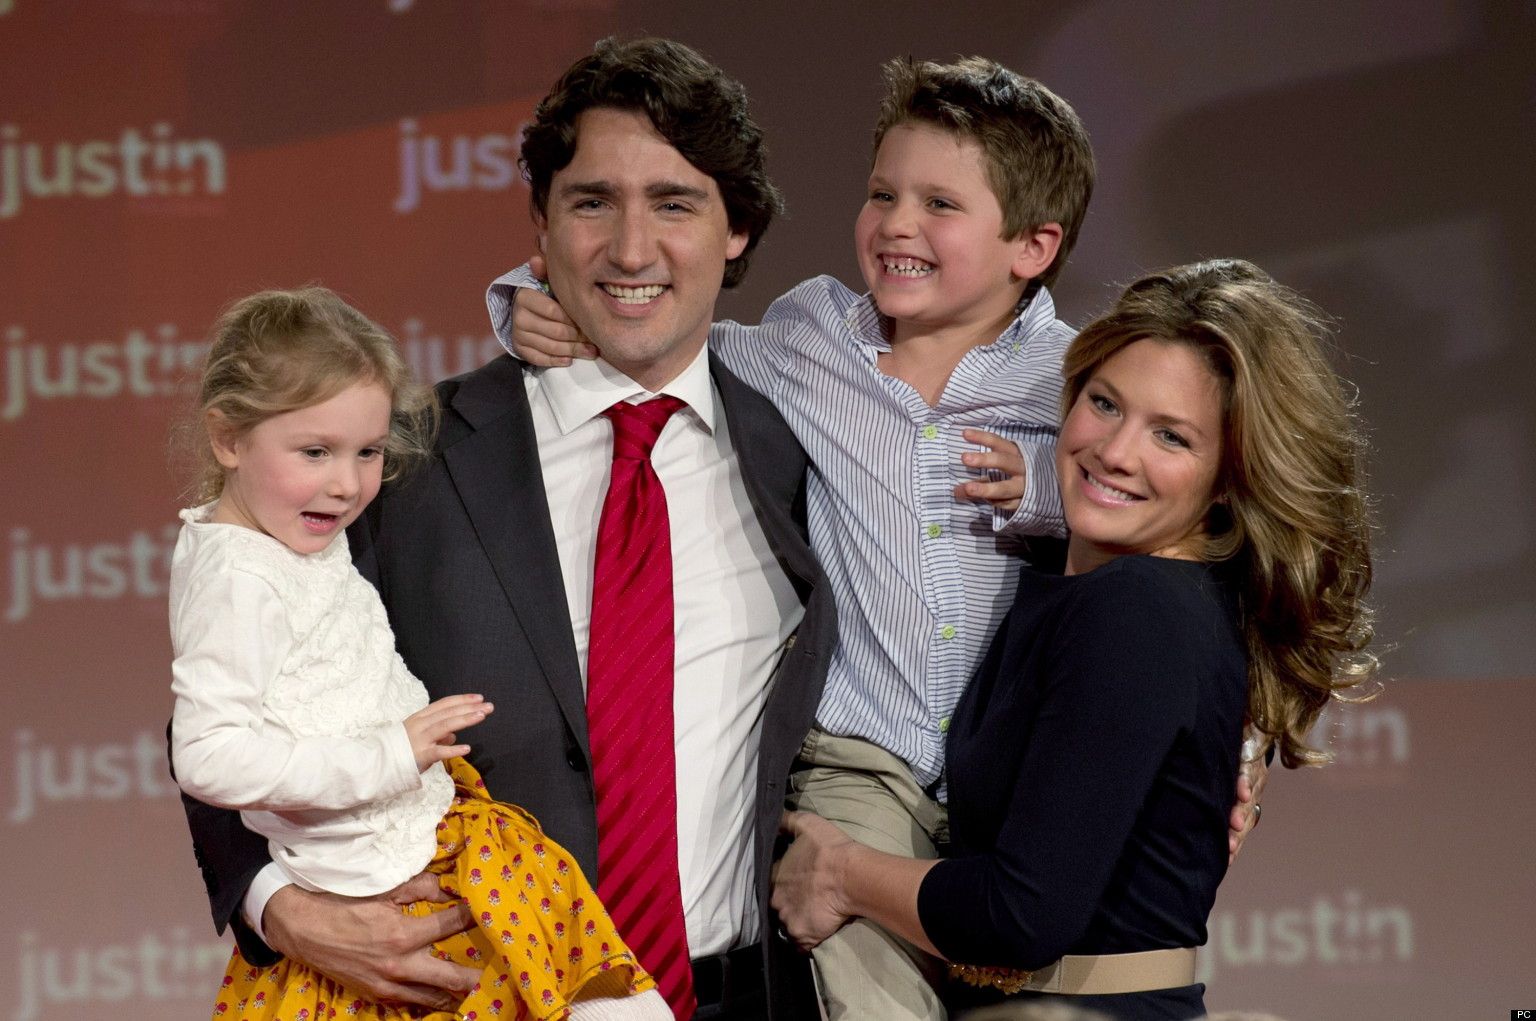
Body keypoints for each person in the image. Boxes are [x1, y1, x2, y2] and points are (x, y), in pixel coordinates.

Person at [508, 57, 1263, 1019]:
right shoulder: (809, 340)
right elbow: (660, 327)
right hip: (867, 757)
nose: (896, 224)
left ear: (1034, 245)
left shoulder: (1073, 379)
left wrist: (1047, 489)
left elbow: (1185, 536)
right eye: (881, 193)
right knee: (876, 998)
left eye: (938, 203)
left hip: (1012, 762)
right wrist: (526, 300)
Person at [178, 39, 836, 1021]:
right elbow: (220, 696)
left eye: (674, 202)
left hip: (746, 994)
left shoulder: (804, 451)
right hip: (472, 992)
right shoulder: (403, 461)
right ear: (539, 224)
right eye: (590, 201)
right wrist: (280, 907)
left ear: (736, 228)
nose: (630, 248)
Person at [769, 260, 1377, 1021]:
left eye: (1172, 436)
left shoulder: (1137, 607)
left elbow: (1021, 913)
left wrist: (843, 871)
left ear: (1228, 476)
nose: (1116, 452)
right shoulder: (1109, 588)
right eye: (1104, 403)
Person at [170, 287, 670, 1020]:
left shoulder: (286, 530)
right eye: (315, 451)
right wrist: (390, 752)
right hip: (376, 873)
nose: (346, 484)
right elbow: (207, 754)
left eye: (368, 451)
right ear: (228, 438)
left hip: (434, 828)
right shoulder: (235, 576)